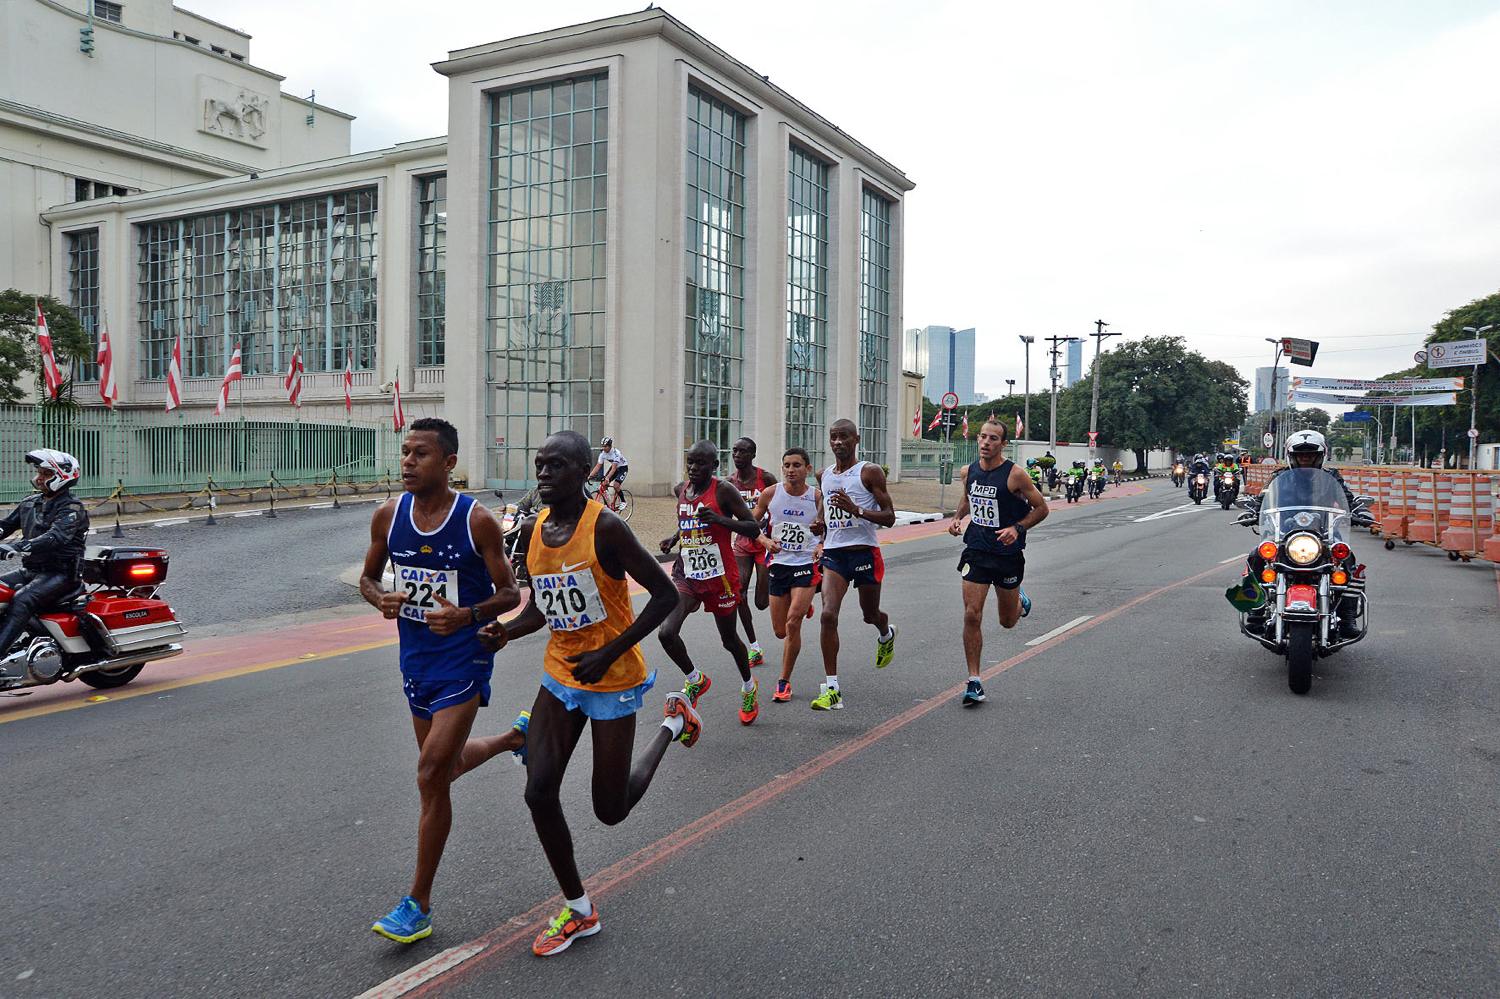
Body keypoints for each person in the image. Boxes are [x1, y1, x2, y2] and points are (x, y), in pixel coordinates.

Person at [479, 430, 687, 958]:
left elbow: (664, 596)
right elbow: (540, 608)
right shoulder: (533, 529)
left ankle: (673, 723)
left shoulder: (608, 528)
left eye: (556, 466)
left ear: (585, 471)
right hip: (561, 675)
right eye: (540, 465)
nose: (544, 475)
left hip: (612, 678)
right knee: (538, 791)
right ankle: (579, 909)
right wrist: (507, 631)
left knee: (609, 810)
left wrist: (610, 651)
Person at [359, 418, 525, 945]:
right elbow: (367, 578)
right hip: (416, 662)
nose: (408, 462)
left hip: (464, 659)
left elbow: (510, 593)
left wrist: (468, 615)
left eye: (420, 454)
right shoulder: (388, 516)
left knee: (430, 773)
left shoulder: (476, 521)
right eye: (405, 453)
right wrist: (379, 598)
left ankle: (418, 904)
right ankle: (514, 739)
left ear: (449, 462)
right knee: (446, 766)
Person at [657, 441, 764, 725]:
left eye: (701, 463)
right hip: (688, 574)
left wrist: (719, 519)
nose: (693, 468)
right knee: (666, 633)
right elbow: (688, 520)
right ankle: (695, 679)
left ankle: (749, 687)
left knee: (729, 640)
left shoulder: (724, 491)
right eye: (690, 462)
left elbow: (753, 527)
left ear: (714, 466)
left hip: (720, 579)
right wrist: (674, 538)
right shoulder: (682, 490)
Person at [948, 419, 1048, 705]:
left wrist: (1017, 528)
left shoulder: (1016, 475)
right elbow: (967, 498)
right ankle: (974, 680)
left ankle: (1019, 602)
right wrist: (957, 518)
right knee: (971, 614)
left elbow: (1042, 508)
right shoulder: (969, 471)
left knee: (1007, 622)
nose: (986, 443)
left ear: (1003, 444)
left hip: (1007, 555)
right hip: (977, 549)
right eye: (982, 437)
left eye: (993, 439)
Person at [812, 420, 897, 711]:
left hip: (864, 553)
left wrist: (857, 509)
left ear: (856, 439)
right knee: (827, 615)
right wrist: (820, 524)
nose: (837, 442)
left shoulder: (868, 472)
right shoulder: (823, 474)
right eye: (833, 437)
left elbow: (889, 517)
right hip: (835, 556)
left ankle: (885, 632)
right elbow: (825, 503)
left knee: (869, 614)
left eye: (843, 437)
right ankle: (832, 688)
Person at [0, 450, 89, 672]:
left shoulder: (71, 508)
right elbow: (5, 526)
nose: (40, 478)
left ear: (63, 476)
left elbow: (55, 537)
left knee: (22, 600)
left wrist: (17, 547)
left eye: (46, 473)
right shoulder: (30, 502)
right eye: (39, 472)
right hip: (32, 571)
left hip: (62, 575)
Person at [750, 447, 823, 703]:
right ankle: (801, 606)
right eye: (787, 465)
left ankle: (783, 682)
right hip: (779, 565)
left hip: (805, 564)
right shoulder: (771, 494)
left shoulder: (816, 497)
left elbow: (828, 530)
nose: (791, 470)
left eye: (797, 465)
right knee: (780, 631)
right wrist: (764, 540)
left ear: (808, 469)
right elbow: (750, 525)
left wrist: (820, 545)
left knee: (793, 624)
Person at [727, 437, 778, 670]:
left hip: (765, 542)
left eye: (743, 451)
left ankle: (792, 593)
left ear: (752, 454)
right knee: (739, 593)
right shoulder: (729, 484)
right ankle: (754, 647)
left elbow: (783, 500)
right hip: (743, 543)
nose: (737, 455)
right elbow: (723, 516)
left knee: (760, 603)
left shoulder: (765, 478)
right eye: (734, 451)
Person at [588, 437, 629, 511]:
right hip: (615, 468)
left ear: (610, 446)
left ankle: (623, 501)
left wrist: (607, 477)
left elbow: (613, 469)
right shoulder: (603, 454)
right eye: (602, 446)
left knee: (616, 485)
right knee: (603, 484)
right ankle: (609, 504)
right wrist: (589, 476)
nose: (604, 448)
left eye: (605, 446)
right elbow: (598, 466)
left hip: (622, 468)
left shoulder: (616, 454)